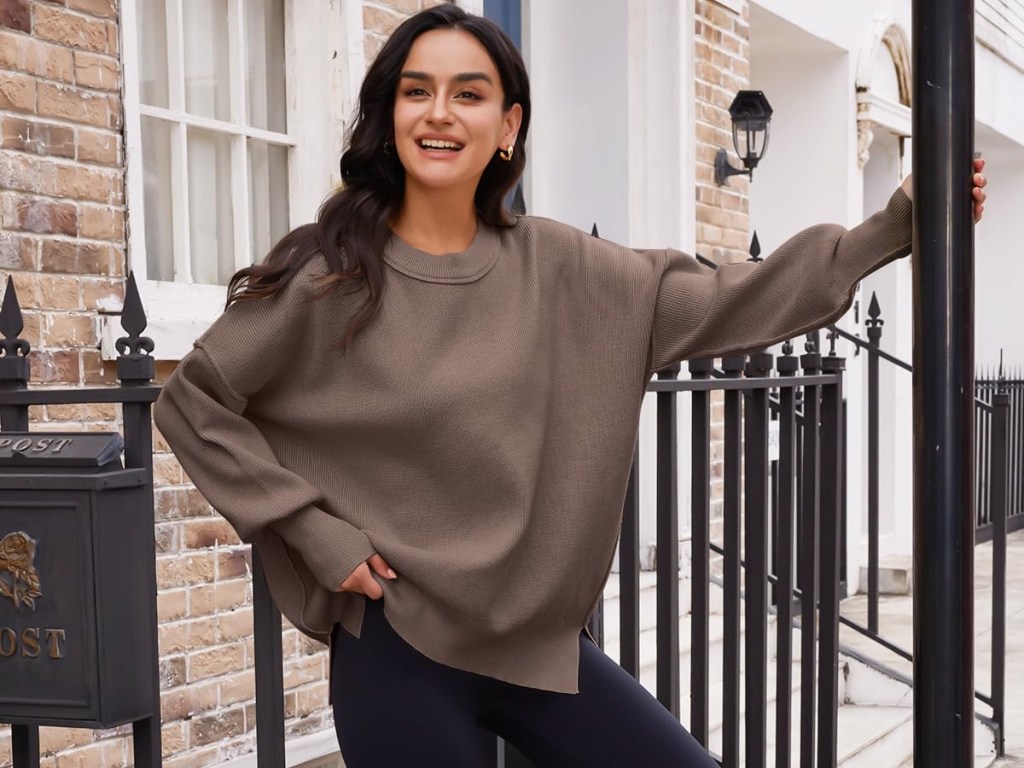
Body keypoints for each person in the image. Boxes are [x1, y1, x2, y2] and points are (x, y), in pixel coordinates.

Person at [153, 5, 988, 767]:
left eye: (468, 94)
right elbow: (193, 403)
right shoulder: (329, 275)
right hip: (395, 649)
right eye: (418, 91)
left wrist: (898, 220)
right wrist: (310, 530)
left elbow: (740, 295)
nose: (440, 112)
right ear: (391, 115)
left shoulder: (574, 273)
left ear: (507, 126)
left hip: (535, 649)